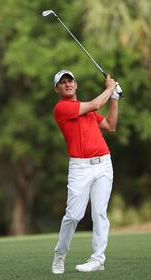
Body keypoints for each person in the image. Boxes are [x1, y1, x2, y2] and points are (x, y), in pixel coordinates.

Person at [50, 69, 120, 274]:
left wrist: (114, 98)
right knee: (73, 215)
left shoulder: (87, 111)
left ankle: (98, 259)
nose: (67, 84)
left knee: (99, 213)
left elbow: (110, 125)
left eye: (70, 80)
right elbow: (97, 103)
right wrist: (110, 88)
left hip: (103, 164)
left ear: (76, 84)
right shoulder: (61, 108)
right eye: (62, 82)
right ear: (57, 89)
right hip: (80, 168)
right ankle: (60, 255)